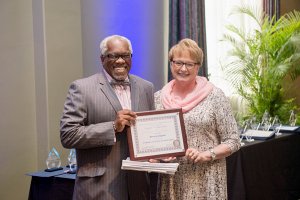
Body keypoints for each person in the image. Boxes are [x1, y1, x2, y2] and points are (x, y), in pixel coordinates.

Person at [60, 35, 155, 200]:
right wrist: (112, 127)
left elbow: (150, 132)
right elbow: (68, 135)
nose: (120, 61)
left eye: (125, 55)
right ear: (102, 58)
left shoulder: (146, 87)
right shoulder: (82, 88)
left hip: (138, 186)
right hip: (98, 188)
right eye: (113, 56)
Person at [153, 38, 241, 199]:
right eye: (178, 63)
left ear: (198, 66)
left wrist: (206, 154)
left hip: (207, 179)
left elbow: (233, 140)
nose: (183, 69)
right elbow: (154, 142)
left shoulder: (215, 96)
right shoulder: (158, 98)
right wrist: (157, 156)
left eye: (189, 64)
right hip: (171, 181)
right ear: (171, 63)